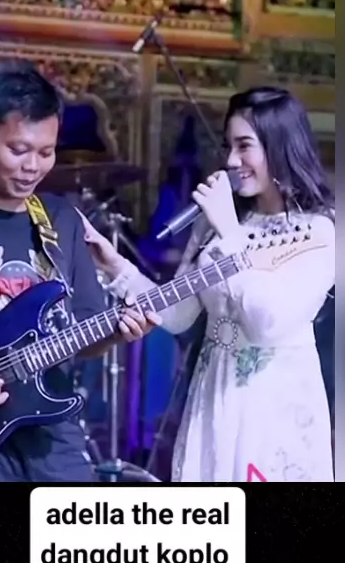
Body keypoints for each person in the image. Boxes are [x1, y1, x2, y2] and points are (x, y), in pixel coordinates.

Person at [81, 87, 335, 482]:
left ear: (279, 145)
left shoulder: (319, 230)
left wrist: (230, 233)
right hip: (213, 397)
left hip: (275, 407)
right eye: (228, 146)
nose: (231, 160)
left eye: (244, 146)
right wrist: (115, 265)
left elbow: (269, 325)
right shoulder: (218, 223)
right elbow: (178, 313)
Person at [0, 63, 161, 483]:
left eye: (46, 152)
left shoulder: (61, 220)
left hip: (52, 433)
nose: (33, 166)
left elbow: (82, 331)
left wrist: (118, 332)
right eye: (18, 150)